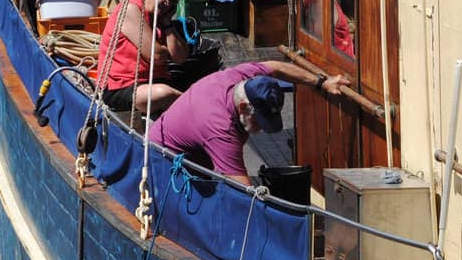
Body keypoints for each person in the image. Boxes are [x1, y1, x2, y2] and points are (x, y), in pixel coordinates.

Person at [148, 61, 347, 185]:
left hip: (196, 151)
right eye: (259, 121)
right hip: (163, 165)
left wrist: (321, 82)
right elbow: (242, 189)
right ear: (243, 107)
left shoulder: (242, 76)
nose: (260, 130)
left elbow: (276, 68)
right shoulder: (221, 129)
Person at [96, 0, 191, 115]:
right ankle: (197, 109)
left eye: (172, 1)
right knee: (164, 94)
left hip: (153, 83)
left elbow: (180, 57)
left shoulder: (159, 19)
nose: (167, 4)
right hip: (122, 87)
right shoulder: (130, 10)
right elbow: (157, 56)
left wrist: (167, 23)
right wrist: (164, 51)